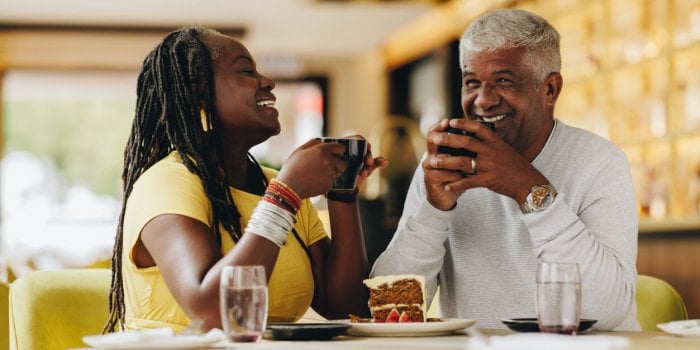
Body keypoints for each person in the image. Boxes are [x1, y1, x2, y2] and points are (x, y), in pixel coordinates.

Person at [103, 26, 387, 332]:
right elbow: (214, 314)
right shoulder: (168, 182)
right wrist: (284, 196)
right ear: (201, 94)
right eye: (247, 71)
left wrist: (342, 192)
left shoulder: (276, 186)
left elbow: (346, 307)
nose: (268, 82)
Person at [371, 9, 639, 331]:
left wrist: (527, 188)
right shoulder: (445, 167)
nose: (483, 101)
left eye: (503, 81)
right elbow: (389, 309)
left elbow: (605, 311)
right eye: (472, 82)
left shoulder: (600, 162)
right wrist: (433, 212)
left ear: (550, 89)